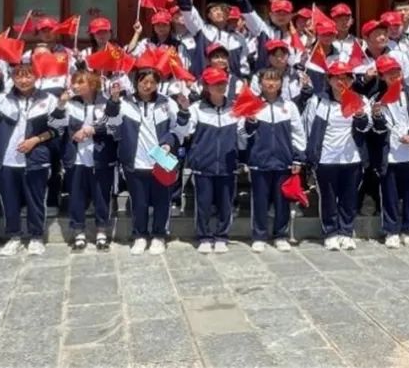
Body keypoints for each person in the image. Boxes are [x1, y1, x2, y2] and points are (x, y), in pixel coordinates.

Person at [105, 58, 189, 255]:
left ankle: (159, 235)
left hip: (161, 159)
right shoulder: (125, 103)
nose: (148, 86)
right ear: (137, 82)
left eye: (152, 82)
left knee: (162, 201)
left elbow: (180, 130)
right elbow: (112, 125)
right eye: (144, 81)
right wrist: (113, 101)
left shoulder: (166, 103)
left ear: (158, 84)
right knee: (139, 202)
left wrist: (184, 111)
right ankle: (140, 235)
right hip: (135, 161)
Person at [0, 63, 65, 257]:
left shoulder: (48, 99)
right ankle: (14, 237)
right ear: (13, 79)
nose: (23, 80)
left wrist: (35, 140)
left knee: (36, 200)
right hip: (7, 160)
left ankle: (36, 237)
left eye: (28, 76)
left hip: (36, 159)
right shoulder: (2, 99)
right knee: (10, 201)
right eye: (19, 76)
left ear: (36, 77)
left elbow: (58, 129)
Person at [304, 62, 372, 250]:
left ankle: (346, 232)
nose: (341, 81)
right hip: (326, 158)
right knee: (328, 198)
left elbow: (366, 128)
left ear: (352, 80)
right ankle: (330, 232)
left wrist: (361, 116)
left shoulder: (361, 100)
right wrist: (311, 155)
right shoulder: (318, 101)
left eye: (346, 77)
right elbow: (308, 127)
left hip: (352, 158)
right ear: (329, 80)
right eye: (337, 77)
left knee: (349, 198)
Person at [368, 56, 409, 249]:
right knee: (389, 196)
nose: (394, 76)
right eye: (388, 73)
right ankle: (391, 231)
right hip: (389, 155)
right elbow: (376, 130)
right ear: (381, 76)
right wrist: (377, 116)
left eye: (396, 71)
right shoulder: (376, 99)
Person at [243, 66, 307, 252]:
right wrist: (250, 123)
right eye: (267, 79)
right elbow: (242, 134)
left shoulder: (289, 106)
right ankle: (259, 235)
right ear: (260, 83)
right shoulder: (251, 105)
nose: (271, 83)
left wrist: (298, 158)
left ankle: (281, 235)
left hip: (283, 161)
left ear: (281, 83)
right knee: (260, 201)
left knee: (282, 201)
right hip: (259, 162)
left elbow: (298, 133)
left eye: (275, 79)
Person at [184, 67, 245, 253]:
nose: (220, 86)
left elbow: (243, 135)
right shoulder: (196, 108)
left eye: (223, 83)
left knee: (226, 203)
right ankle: (204, 236)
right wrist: (183, 113)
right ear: (206, 86)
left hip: (227, 165)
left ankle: (221, 236)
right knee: (203, 204)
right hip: (203, 165)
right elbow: (186, 132)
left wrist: (251, 123)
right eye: (215, 83)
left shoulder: (235, 108)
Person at [61, 70, 116, 251]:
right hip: (76, 157)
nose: (75, 86)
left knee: (101, 196)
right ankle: (79, 232)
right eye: (74, 82)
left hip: (100, 157)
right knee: (76, 196)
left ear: (92, 84)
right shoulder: (70, 104)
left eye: (80, 82)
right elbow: (56, 124)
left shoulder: (106, 103)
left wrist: (92, 129)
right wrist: (61, 105)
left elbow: (114, 125)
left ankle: (101, 232)